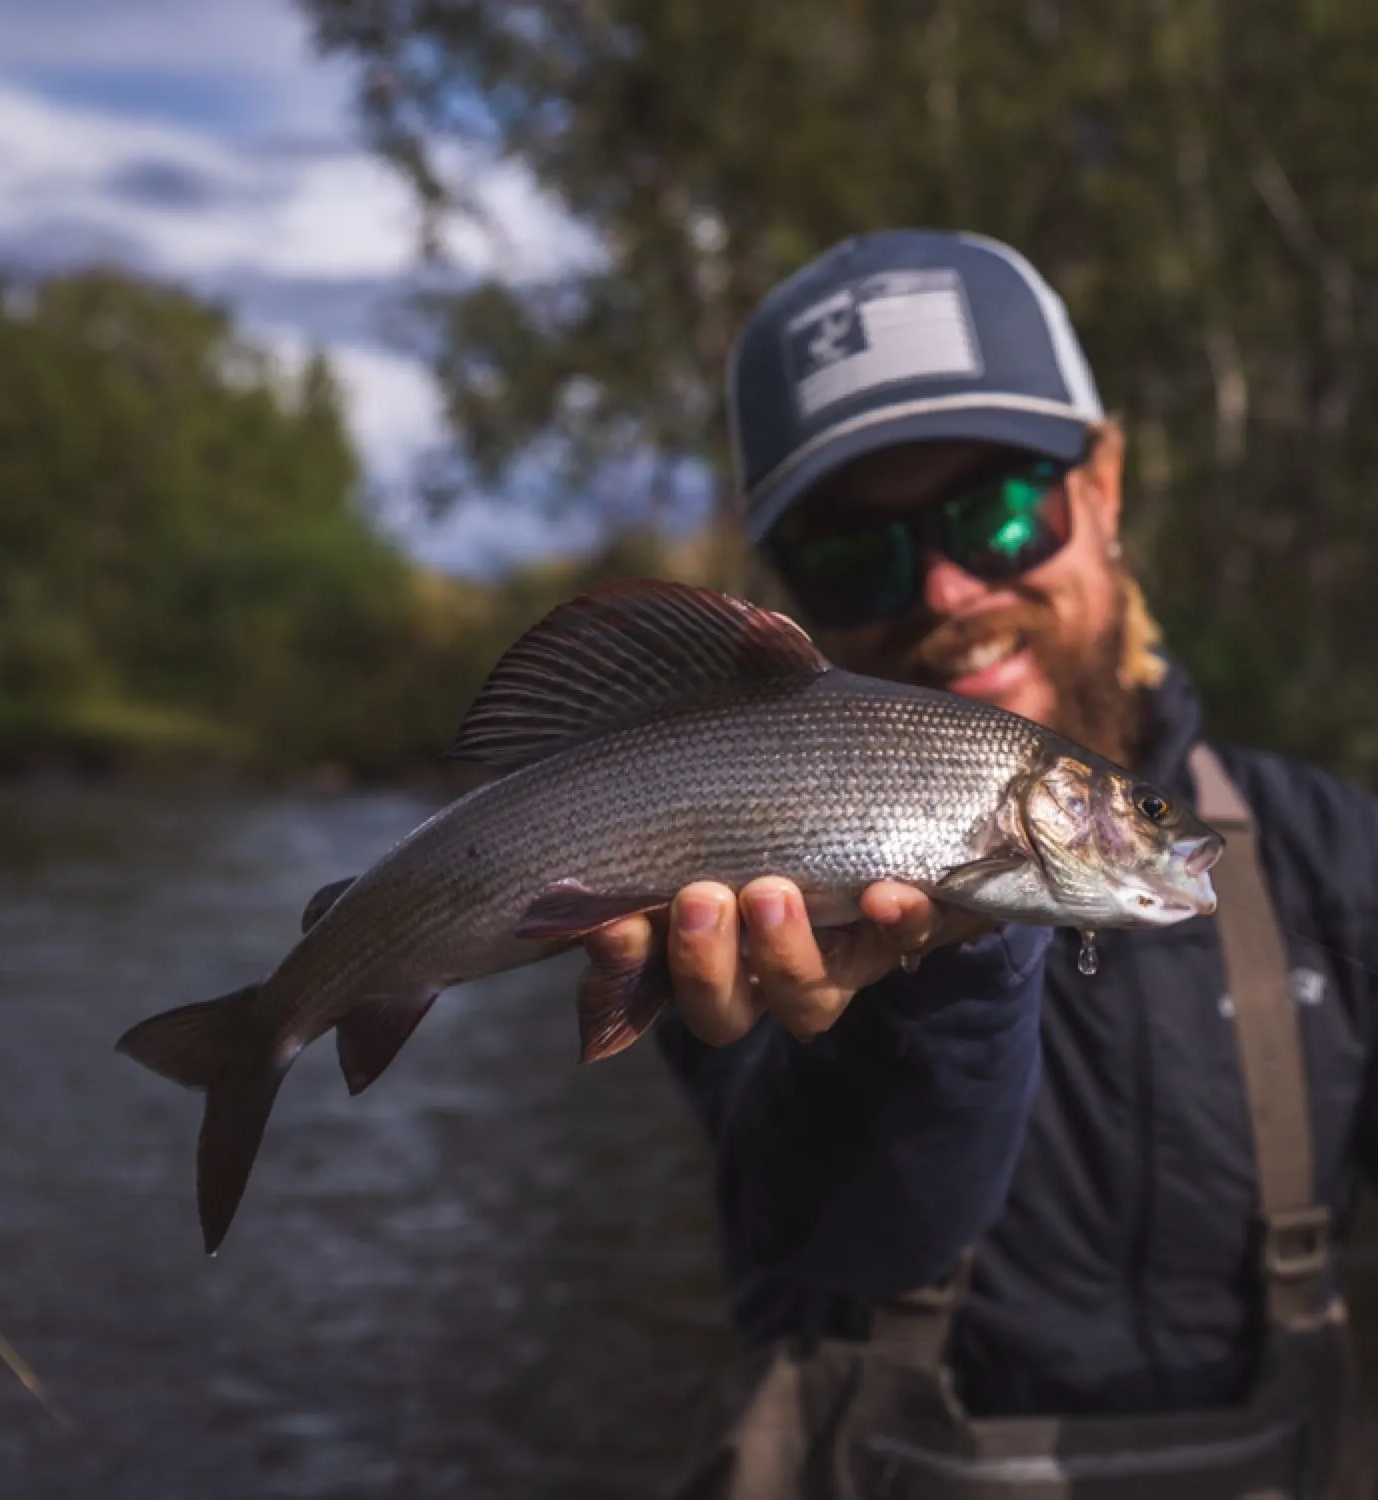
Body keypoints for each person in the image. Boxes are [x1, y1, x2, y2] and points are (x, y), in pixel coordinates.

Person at [577, 230, 1378, 1498]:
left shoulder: (1340, 858)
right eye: (856, 552)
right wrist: (952, 975)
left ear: (1103, 488)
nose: (947, 588)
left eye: (1000, 512)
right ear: (788, 592)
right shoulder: (721, 873)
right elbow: (838, 1244)